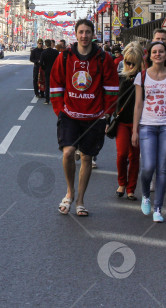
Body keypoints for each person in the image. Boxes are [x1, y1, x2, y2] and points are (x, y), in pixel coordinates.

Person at [50, 19, 118, 217]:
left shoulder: (103, 58)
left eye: (88, 32)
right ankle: (70, 192)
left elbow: (112, 87)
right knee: (68, 152)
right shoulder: (64, 57)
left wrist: (106, 113)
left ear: (93, 34)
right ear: (76, 33)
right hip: (70, 114)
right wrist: (59, 110)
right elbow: (55, 84)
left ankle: (80, 200)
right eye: (81, 32)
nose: (84, 36)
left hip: (94, 116)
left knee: (87, 157)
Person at [132, 41, 166, 223]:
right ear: (149, 55)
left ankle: (158, 209)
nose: (158, 54)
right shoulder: (142, 76)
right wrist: (134, 131)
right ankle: (146, 195)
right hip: (147, 125)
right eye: (154, 52)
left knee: (162, 169)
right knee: (148, 167)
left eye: (161, 52)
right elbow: (138, 105)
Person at [114, 42, 142, 200]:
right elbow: (113, 99)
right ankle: (121, 183)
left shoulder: (143, 78)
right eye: (127, 62)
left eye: (133, 63)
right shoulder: (120, 77)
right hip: (122, 122)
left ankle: (131, 188)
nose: (130, 65)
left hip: (138, 122)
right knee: (122, 154)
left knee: (134, 156)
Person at [40, 39, 60, 105]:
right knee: (55, 84)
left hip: (47, 70)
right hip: (54, 70)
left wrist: (44, 68)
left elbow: (41, 63)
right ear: (51, 44)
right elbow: (58, 61)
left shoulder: (43, 52)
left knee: (47, 84)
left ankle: (47, 100)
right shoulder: (55, 52)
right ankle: (56, 99)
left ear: (45, 44)